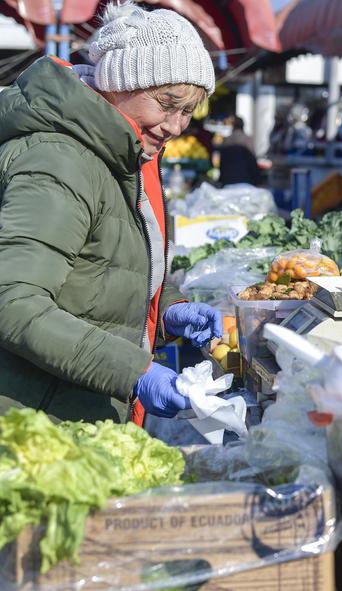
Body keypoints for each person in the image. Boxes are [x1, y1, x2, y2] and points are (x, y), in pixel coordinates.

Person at [0, 1, 225, 424]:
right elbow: (13, 301)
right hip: (31, 423)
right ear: (120, 83)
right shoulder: (59, 161)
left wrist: (166, 309)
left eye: (187, 111)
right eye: (166, 102)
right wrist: (134, 371)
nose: (176, 126)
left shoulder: (122, 155)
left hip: (70, 414)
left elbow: (95, 271)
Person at [218, 116, 261, 186]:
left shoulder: (227, 140)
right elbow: (252, 161)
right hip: (246, 179)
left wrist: (221, 179)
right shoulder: (247, 139)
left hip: (228, 179)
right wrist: (257, 180)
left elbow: (222, 162)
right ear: (243, 126)